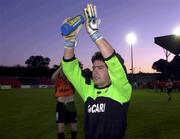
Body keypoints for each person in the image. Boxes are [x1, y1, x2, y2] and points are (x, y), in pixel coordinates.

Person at [61, 3, 132, 139]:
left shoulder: (122, 90)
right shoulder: (88, 90)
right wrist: (69, 41)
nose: (95, 71)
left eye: (100, 68)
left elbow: (113, 62)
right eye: (94, 68)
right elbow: (70, 68)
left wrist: (94, 33)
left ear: (110, 71)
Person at [51, 66, 77, 139]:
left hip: (70, 105)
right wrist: (60, 67)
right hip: (60, 106)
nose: (64, 73)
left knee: (74, 128)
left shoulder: (71, 79)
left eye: (65, 71)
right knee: (61, 128)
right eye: (62, 71)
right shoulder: (58, 79)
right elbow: (52, 78)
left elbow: (76, 73)